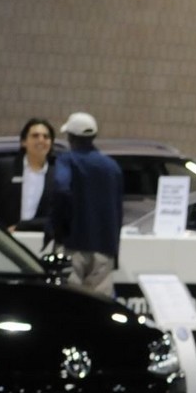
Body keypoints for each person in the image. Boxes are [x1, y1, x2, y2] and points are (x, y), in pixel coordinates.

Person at [48, 111, 125, 299]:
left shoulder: (67, 160)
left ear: (71, 137)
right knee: (99, 303)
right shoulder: (111, 167)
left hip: (72, 244)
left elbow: (60, 188)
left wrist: (59, 227)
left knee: (69, 300)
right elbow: (118, 210)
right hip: (104, 247)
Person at [0, 117, 58, 231]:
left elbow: (60, 216)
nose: (41, 140)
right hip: (4, 241)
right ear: (24, 142)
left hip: (40, 241)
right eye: (35, 136)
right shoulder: (4, 168)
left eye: (46, 137)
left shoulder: (58, 175)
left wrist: (23, 227)